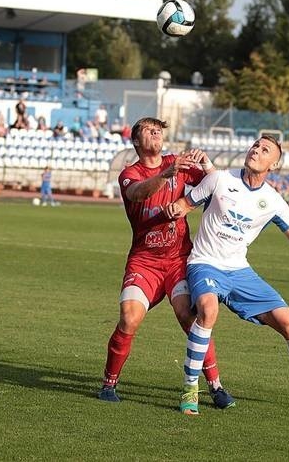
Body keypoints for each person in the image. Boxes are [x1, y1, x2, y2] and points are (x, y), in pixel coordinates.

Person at [166, 135, 289, 415]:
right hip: (205, 263)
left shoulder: (274, 201)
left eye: (264, 149)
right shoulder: (218, 179)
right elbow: (186, 204)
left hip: (240, 271)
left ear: (274, 164)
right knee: (208, 309)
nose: (256, 149)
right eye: (255, 145)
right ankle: (190, 390)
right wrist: (176, 209)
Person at [97, 117, 234, 410]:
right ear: (136, 141)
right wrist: (166, 174)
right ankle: (109, 383)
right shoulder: (129, 174)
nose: (156, 132)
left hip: (178, 261)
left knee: (190, 317)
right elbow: (138, 193)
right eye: (149, 129)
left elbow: (216, 184)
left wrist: (206, 166)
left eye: (159, 129)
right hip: (144, 262)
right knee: (129, 318)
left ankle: (216, 386)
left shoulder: (178, 163)